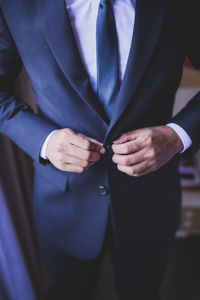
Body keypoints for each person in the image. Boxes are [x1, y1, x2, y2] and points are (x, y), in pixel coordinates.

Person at [0, 0, 200, 299]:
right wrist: (44, 141)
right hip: (62, 200)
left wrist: (177, 135)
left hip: (151, 196)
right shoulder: (13, 5)